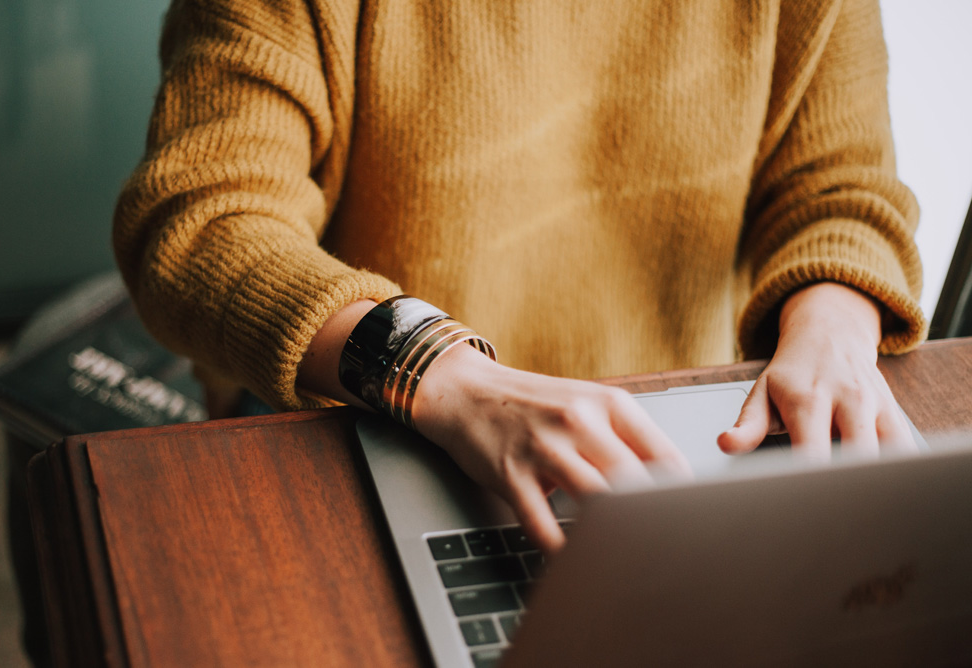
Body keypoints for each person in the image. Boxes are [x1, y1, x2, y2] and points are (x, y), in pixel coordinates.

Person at [114, 0, 926, 554]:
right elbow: (201, 219)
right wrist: (439, 371)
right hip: (369, 421)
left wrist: (835, 324)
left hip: (674, 447)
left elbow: (842, 188)